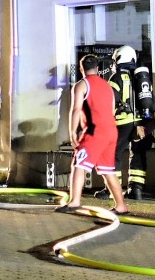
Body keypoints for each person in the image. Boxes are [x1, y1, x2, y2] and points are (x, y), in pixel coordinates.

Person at [56, 54, 129, 215]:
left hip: (95, 132)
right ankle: (121, 206)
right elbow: (111, 110)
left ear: (82, 68)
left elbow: (75, 110)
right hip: (111, 131)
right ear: (97, 68)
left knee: (78, 164)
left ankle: (75, 201)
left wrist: (73, 132)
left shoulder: (81, 85)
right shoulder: (107, 86)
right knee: (108, 170)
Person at [96, 45, 149, 200]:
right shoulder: (141, 77)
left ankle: (112, 189)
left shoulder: (117, 77)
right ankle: (136, 189)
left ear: (119, 59)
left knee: (114, 154)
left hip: (123, 122)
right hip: (140, 122)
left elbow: (110, 100)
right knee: (138, 154)